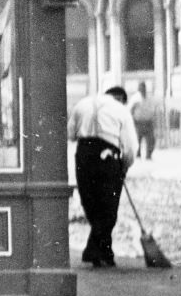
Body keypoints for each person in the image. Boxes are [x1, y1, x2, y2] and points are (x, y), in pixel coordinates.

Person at [67, 86, 139, 268]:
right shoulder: (121, 110)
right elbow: (130, 147)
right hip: (108, 158)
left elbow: (70, 133)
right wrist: (124, 166)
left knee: (90, 204)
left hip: (83, 155)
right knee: (108, 208)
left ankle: (105, 252)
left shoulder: (82, 104)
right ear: (121, 99)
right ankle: (93, 251)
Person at [130, 81, 159, 159]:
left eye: (143, 88)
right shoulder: (135, 98)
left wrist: (154, 118)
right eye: (141, 88)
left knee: (151, 140)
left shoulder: (149, 97)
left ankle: (148, 155)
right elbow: (130, 109)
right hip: (138, 122)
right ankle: (137, 155)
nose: (142, 90)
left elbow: (154, 108)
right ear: (138, 89)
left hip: (148, 122)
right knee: (137, 140)